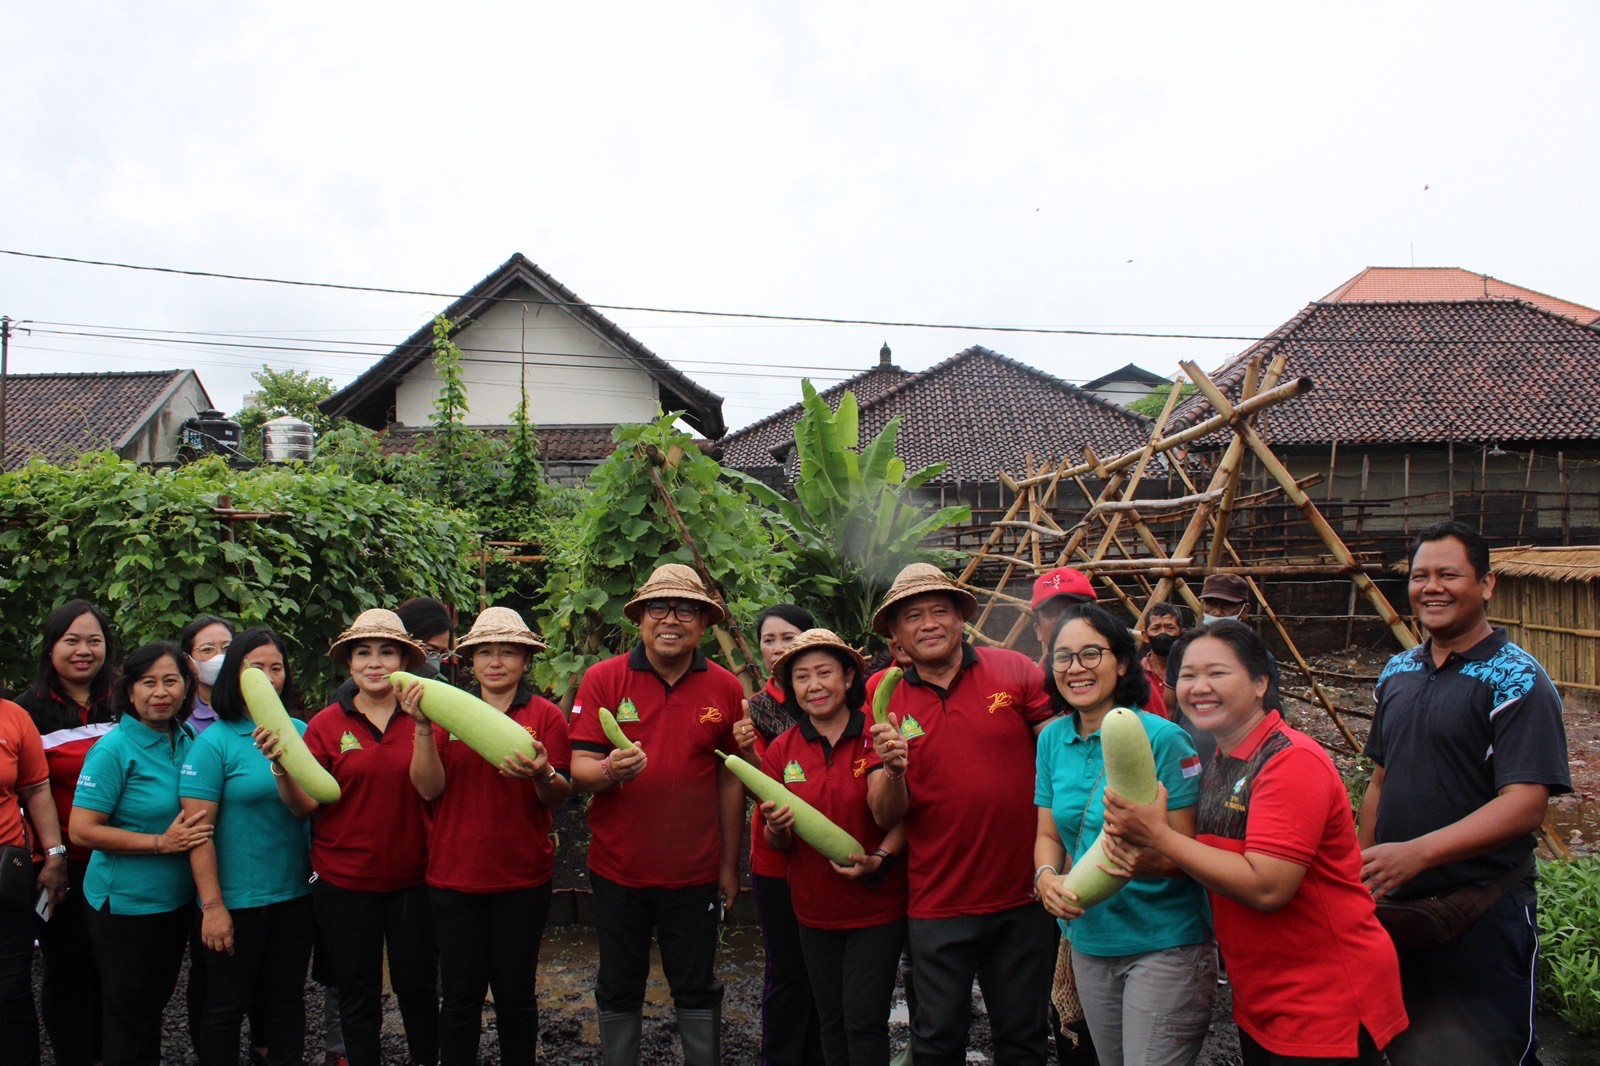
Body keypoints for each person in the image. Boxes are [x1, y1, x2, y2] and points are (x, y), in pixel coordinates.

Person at [1102, 621, 1407, 1064]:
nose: (1199, 687)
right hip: (1265, 993)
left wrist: (1159, 836)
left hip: (1325, 996)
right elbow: (1212, 858)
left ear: (1261, 682)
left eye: (1217, 673)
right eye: (1188, 675)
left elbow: (1268, 887)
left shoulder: (1290, 761)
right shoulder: (1222, 760)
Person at [1359, 521, 1572, 1066]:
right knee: (1404, 1046)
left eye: (1448, 575)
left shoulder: (1518, 680)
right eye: (1420, 576)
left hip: (1483, 911)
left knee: (1487, 1051)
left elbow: (1524, 804)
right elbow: (1380, 780)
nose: (1431, 587)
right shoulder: (1398, 671)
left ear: (1486, 584)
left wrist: (1417, 853)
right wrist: (1362, 871)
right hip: (1398, 909)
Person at [866, 563, 1057, 1065]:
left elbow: (1061, 755)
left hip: (1023, 893)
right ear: (896, 634)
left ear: (960, 619)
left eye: (940, 611)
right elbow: (884, 813)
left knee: (1024, 1037)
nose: (929, 623)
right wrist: (893, 770)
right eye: (913, 616)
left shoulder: (1014, 669)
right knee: (937, 1040)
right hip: (938, 898)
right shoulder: (882, 693)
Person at [568, 563, 746, 1066]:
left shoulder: (725, 687)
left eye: (685, 609)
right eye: (658, 608)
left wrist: (729, 865)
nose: (670, 619)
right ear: (641, 618)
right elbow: (579, 767)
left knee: (696, 983)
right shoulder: (604, 679)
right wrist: (610, 769)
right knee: (619, 982)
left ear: (704, 622)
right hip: (618, 869)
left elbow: (730, 778)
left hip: (694, 871)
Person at [1032, 605, 1213, 1066]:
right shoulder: (1051, 739)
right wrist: (1046, 877)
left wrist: (1137, 861)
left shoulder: (1164, 739)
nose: (1076, 668)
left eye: (1091, 654)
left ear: (1123, 663)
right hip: (1089, 942)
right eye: (1063, 657)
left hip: (1163, 944)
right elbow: (1048, 832)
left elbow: (1189, 852)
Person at [408, 607, 571, 1066]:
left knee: (516, 994)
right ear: (471, 661)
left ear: (525, 660)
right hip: (454, 877)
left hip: (522, 879)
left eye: (508, 652)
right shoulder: (445, 712)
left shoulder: (545, 716)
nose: (495, 662)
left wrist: (542, 773)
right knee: (460, 997)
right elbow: (427, 789)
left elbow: (559, 795)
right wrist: (422, 726)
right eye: (485, 653)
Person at [294, 609, 439, 1066]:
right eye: (363, 653)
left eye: (386, 652)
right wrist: (280, 765)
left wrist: (422, 726)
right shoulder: (325, 725)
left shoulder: (429, 718)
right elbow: (304, 804)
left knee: (418, 987)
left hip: (414, 879)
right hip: (344, 882)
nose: (374, 663)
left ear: (403, 661)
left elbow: (432, 790)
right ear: (349, 663)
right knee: (357, 993)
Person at [761, 628, 908, 1066]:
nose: (814, 685)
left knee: (864, 1021)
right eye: (802, 677)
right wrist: (776, 827)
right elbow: (777, 842)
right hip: (813, 911)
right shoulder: (781, 750)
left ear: (847, 678)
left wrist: (893, 771)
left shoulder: (877, 736)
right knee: (830, 1021)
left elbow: (895, 817)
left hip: (876, 908)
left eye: (824, 673)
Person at [70, 641, 215, 1066]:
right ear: (129, 690)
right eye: (149, 682)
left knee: (152, 1007)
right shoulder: (113, 750)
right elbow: (82, 830)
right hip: (125, 905)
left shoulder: (186, 738)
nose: (161, 692)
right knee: (128, 1016)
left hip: (173, 901)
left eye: (171, 681)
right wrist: (159, 843)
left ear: (186, 687)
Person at [180, 628, 316, 1066]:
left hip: (293, 895)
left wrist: (281, 765)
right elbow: (198, 833)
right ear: (234, 676)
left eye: (277, 668)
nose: (269, 677)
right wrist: (212, 906)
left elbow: (306, 809)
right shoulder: (213, 743)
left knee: (286, 1001)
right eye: (257, 668)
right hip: (236, 901)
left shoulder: (300, 732)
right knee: (226, 1005)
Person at [14, 599, 116, 1066]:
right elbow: (28, 791)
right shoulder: (27, 712)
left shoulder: (125, 700)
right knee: (69, 968)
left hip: (124, 858)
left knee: (119, 970)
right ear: (51, 646)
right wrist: (51, 857)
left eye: (94, 640)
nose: (83, 650)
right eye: (71, 640)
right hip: (63, 863)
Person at [730, 603, 824, 1066]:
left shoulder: (838, 696)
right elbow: (760, 789)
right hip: (777, 855)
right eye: (769, 640)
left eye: (789, 637)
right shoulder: (755, 709)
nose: (778, 647)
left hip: (831, 853)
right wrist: (748, 753)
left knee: (828, 969)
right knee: (787, 969)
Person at [1, 695, 69, 1066]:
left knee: (10, 991)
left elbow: (37, 789)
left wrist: (54, 855)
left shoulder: (12, 716)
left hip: (6, 876)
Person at [1168, 574, 1279, 765]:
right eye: (1210, 604)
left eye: (1227, 605)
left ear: (1245, 610)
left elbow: (1269, 711)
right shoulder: (1183, 649)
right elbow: (1170, 707)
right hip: (1188, 755)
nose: (1217, 612)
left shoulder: (1260, 657)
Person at [180, 615, 238, 735]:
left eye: (227, 648)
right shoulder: (181, 713)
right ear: (188, 660)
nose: (220, 656)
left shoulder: (251, 707)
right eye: (207, 649)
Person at [1139, 603, 1184, 718]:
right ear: (1145, 636)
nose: (1163, 633)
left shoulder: (1188, 672)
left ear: (1181, 633)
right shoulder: (1135, 674)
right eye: (1156, 628)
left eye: (1170, 628)